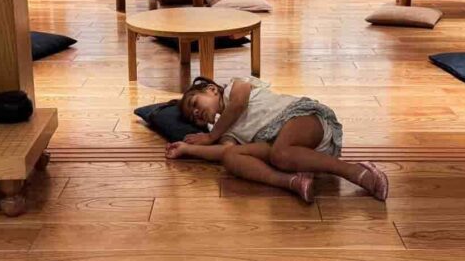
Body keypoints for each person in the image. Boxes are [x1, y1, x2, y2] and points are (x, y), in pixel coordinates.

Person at [165, 76, 388, 203]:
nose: (195, 114)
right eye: (192, 118)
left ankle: (356, 172)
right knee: (232, 157)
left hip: (304, 120)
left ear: (212, 89)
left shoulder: (235, 87)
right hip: (285, 151)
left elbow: (239, 103)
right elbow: (222, 152)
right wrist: (187, 149)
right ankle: (292, 182)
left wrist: (210, 135)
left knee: (280, 153)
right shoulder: (227, 133)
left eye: (195, 104)